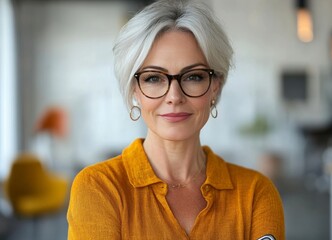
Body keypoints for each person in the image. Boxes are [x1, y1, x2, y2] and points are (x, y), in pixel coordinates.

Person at [67, 0, 285, 239]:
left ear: (215, 87)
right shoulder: (98, 188)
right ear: (134, 90)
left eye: (193, 76)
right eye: (153, 78)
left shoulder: (256, 193)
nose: (174, 96)